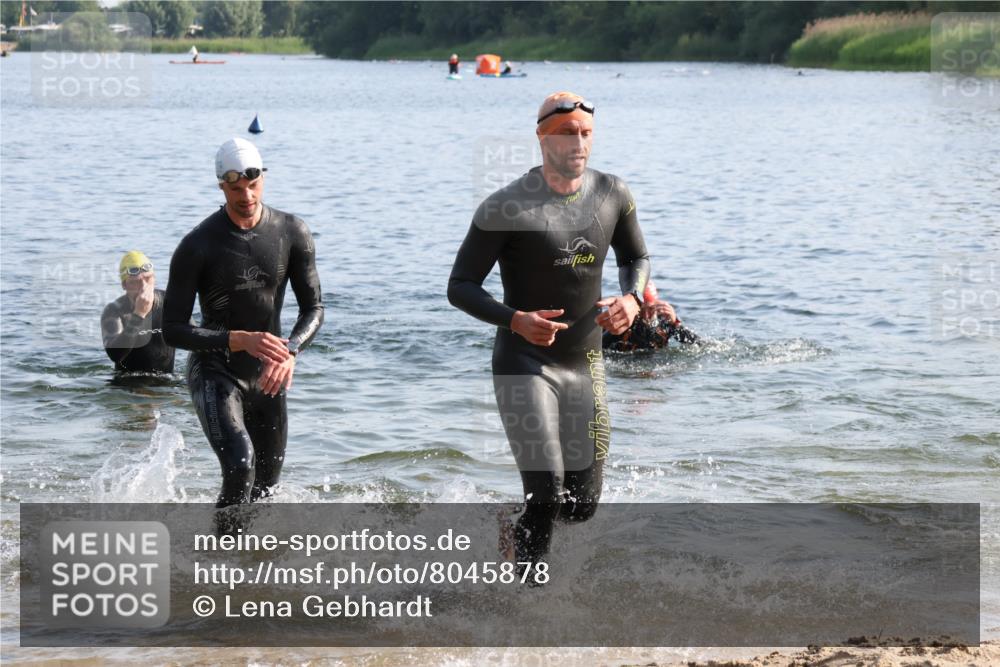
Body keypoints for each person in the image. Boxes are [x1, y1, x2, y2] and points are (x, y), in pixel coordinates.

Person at [448, 92, 650, 566]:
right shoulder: (506, 206)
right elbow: (460, 286)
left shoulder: (613, 194)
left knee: (581, 506)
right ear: (542, 137)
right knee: (546, 494)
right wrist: (515, 319)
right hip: (525, 363)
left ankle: (510, 524)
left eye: (586, 133)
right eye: (567, 133)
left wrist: (633, 299)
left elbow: (635, 257)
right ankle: (529, 601)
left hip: (585, 363)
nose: (579, 143)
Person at [163, 138, 324, 508]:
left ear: (263, 178)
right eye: (236, 189)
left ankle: (244, 546)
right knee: (240, 467)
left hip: (268, 376)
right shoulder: (197, 245)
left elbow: (314, 308)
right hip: (215, 372)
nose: (247, 196)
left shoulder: (291, 231)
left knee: (266, 488)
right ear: (222, 186)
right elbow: (172, 329)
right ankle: (218, 547)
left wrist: (291, 351)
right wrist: (236, 339)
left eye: (253, 185)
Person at [101, 251, 177, 374]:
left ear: (154, 278)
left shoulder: (169, 302)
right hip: (127, 382)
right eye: (136, 282)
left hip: (166, 381)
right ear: (124, 285)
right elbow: (115, 355)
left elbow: (192, 338)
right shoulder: (113, 311)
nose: (143, 287)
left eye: (148, 279)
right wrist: (139, 314)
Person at [602, 279, 699, 352]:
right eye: (641, 310)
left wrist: (675, 324)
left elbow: (699, 344)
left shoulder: (664, 322)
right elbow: (598, 347)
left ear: (657, 304)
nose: (646, 315)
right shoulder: (623, 323)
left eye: (651, 309)